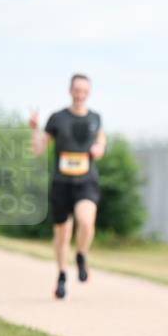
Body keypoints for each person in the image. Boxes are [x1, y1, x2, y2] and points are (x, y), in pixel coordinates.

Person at [29, 73, 106, 299]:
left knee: (86, 221)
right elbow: (38, 149)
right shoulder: (57, 118)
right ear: (70, 91)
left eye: (84, 91)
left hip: (86, 182)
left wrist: (100, 147)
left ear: (88, 92)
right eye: (77, 90)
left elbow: (102, 139)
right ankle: (62, 275)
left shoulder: (95, 118)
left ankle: (81, 254)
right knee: (62, 235)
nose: (80, 94)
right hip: (61, 183)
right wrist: (34, 129)